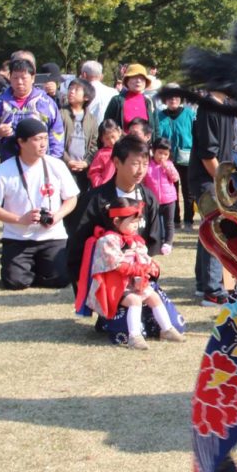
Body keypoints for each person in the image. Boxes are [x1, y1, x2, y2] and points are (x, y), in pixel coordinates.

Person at [74, 197, 184, 349]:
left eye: (137, 221)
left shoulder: (135, 239)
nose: (136, 225)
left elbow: (144, 257)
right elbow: (116, 264)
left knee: (153, 297)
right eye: (132, 222)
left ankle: (167, 329)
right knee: (135, 301)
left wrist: (150, 266)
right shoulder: (107, 240)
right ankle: (135, 336)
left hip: (135, 282)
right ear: (117, 221)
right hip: (115, 286)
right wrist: (138, 269)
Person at [0, 118, 79, 290]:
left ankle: (40, 268)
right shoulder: (4, 170)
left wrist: (57, 216)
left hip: (52, 236)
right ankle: (27, 268)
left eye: (45, 138)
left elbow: (71, 198)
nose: (43, 144)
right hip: (18, 238)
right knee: (15, 282)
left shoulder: (56, 165)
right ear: (21, 142)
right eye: (37, 139)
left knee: (61, 280)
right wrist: (20, 219)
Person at [66, 134, 164, 292]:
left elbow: (152, 239)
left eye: (145, 164)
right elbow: (78, 243)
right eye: (135, 164)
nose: (141, 170)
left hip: (138, 275)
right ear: (117, 162)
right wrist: (81, 281)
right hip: (106, 277)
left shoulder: (148, 198)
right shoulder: (95, 200)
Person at [189, 95, 237, 306]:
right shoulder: (208, 107)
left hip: (218, 177)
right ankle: (212, 290)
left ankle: (202, 284)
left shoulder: (226, 106)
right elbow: (207, 154)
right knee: (217, 227)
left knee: (208, 228)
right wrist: (221, 183)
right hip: (206, 179)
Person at [0, 58, 64, 161]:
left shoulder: (46, 103)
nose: (19, 82)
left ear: (33, 78)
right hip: (10, 162)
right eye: (15, 78)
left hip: (40, 163)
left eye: (24, 78)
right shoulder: (0, 102)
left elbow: (57, 133)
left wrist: (53, 160)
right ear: (10, 78)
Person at [154, 84, 196, 229]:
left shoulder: (190, 114)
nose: (173, 100)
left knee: (188, 191)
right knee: (171, 191)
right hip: (166, 159)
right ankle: (175, 220)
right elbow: (156, 137)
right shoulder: (159, 116)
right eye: (170, 97)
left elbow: (196, 135)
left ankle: (189, 220)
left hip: (187, 158)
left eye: (176, 97)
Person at [61, 78, 98, 195]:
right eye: (70, 88)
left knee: (80, 200)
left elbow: (94, 144)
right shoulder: (61, 114)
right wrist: (67, 160)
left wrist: (86, 162)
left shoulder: (91, 119)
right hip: (64, 167)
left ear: (86, 97)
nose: (71, 91)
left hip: (83, 169)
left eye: (76, 90)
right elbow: (55, 142)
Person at [144, 137, 180, 254]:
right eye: (160, 153)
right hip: (154, 201)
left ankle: (168, 243)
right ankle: (157, 241)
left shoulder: (169, 164)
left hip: (169, 199)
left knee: (169, 223)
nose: (162, 156)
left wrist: (167, 167)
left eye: (166, 154)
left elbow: (175, 178)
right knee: (155, 223)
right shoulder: (148, 165)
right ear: (153, 151)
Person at [104, 64, 157, 131]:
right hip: (122, 141)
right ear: (127, 81)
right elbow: (106, 126)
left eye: (142, 78)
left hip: (146, 141)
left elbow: (156, 128)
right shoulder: (117, 101)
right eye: (134, 77)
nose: (138, 81)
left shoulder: (149, 101)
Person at [87, 120, 122, 188]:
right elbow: (94, 172)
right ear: (102, 139)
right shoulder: (101, 154)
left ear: (119, 132)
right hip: (105, 188)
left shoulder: (126, 150)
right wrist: (100, 184)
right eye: (107, 139)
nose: (111, 141)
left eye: (113, 137)